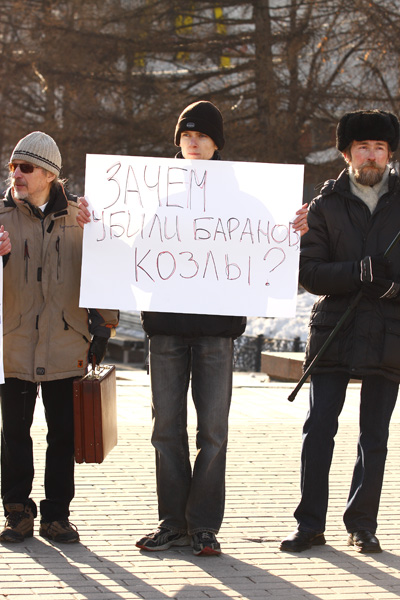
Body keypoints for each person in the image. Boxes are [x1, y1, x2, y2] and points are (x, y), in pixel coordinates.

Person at [77, 100, 308, 556]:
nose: (194, 142)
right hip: (164, 327)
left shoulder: (244, 197)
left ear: (216, 142)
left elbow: (266, 244)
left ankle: (203, 526)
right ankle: (171, 523)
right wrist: (95, 223)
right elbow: (125, 243)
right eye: (186, 136)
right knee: (165, 429)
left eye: (201, 135)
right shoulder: (151, 193)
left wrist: (291, 227)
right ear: (178, 143)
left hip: (216, 330)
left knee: (214, 431)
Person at [280, 109, 400, 554]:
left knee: (375, 435)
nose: (371, 156)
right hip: (334, 330)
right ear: (347, 153)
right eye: (362, 148)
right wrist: (356, 272)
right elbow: (309, 272)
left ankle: (362, 524)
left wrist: (391, 287)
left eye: (379, 148)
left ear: (389, 154)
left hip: (388, 332)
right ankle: (309, 523)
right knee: (319, 429)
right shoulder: (324, 205)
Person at [0, 131, 118, 544]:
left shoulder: (82, 219)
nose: (16, 173)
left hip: (67, 343)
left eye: (25, 167)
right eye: (13, 166)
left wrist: (102, 330)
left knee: (62, 436)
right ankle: (17, 512)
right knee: (13, 434)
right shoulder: (0, 218)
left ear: (49, 174)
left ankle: (56, 515)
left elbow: (105, 274)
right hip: (12, 345)